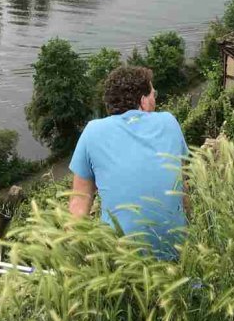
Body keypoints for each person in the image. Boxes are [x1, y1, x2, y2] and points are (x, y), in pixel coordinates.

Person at [69, 65, 189, 258]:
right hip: (177, 252)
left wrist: (74, 254)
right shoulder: (169, 122)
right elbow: (182, 187)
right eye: (153, 94)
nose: (155, 99)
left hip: (122, 259)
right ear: (142, 101)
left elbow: (79, 201)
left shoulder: (92, 131)